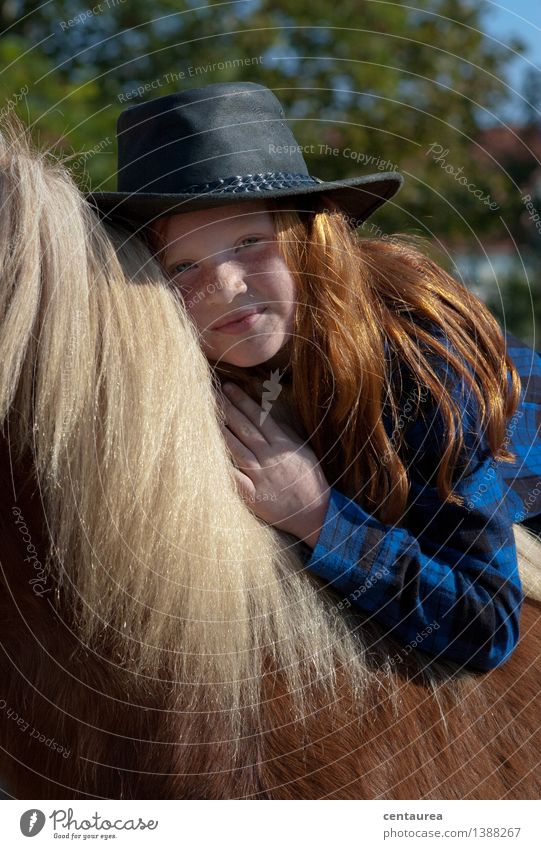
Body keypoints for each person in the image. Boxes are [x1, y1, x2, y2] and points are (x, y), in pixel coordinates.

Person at [88, 82, 541, 671]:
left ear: (306, 238)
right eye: (184, 265)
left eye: (250, 242)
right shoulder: (192, 368)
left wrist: (314, 512)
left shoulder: (421, 363)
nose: (224, 287)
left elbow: (483, 625)